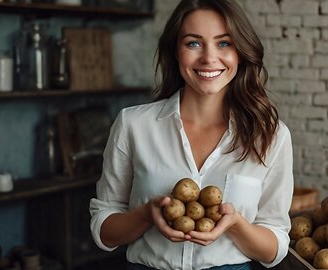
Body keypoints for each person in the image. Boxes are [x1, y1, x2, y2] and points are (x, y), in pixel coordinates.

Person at [89, 0, 294, 269]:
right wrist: (146, 215)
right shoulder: (133, 124)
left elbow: (275, 246)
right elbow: (104, 228)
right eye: (193, 43)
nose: (209, 57)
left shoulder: (270, 136)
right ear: (176, 51)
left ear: (241, 52)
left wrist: (234, 224)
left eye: (224, 43)